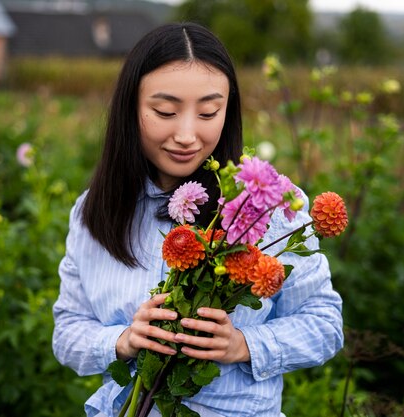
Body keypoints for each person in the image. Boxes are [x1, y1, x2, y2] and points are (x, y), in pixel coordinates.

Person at [52, 22, 343, 417]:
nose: (187, 134)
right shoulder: (95, 212)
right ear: (129, 108)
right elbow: (67, 332)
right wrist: (123, 340)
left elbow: (325, 325)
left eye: (208, 112)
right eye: (165, 111)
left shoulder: (262, 208)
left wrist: (243, 344)